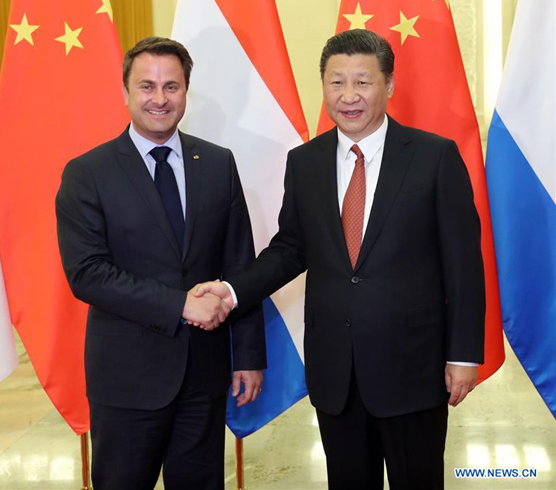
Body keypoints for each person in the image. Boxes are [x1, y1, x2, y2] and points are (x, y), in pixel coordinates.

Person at [195, 29, 485, 490]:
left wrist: (465, 354)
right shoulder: (305, 162)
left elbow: (465, 265)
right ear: (324, 86)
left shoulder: (434, 157)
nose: (349, 96)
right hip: (336, 373)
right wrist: (231, 291)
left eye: (363, 82)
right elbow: (290, 249)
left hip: (412, 367)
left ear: (388, 86)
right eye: (336, 82)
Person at [56, 36, 266, 490]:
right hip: (127, 382)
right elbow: (87, 273)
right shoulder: (87, 173)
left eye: (171, 87)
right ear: (126, 91)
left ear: (186, 91)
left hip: (204, 377)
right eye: (146, 86)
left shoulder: (217, 163)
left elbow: (239, 264)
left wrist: (248, 355)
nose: (159, 99)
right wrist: (180, 305)